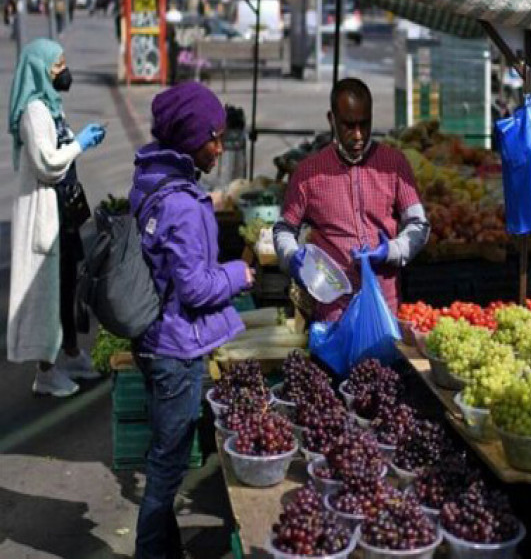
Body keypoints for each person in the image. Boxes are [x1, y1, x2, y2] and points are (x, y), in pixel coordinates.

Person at [128, 81, 254, 559]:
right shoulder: (180, 203)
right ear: (187, 138)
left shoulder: (152, 179)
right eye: (213, 138)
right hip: (176, 348)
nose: (220, 148)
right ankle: (151, 552)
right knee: (167, 463)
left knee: (166, 454)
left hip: (156, 336)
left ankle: (164, 548)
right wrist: (239, 273)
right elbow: (197, 287)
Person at [274, 78, 430, 322]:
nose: (358, 135)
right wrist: (292, 256)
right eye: (348, 125)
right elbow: (284, 229)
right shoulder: (308, 174)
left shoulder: (395, 165)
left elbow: (419, 226)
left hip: (384, 309)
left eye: (364, 124)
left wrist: (391, 251)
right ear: (331, 120)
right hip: (332, 312)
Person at [7, 39, 106, 396]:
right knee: (47, 295)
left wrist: (77, 141)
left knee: (66, 287)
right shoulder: (34, 112)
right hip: (44, 216)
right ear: (40, 69)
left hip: (62, 214)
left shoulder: (51, 105)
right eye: (57, 65)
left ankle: (71, 353)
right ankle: (45, 372)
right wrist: (80, 143)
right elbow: (47, 164)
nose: (64, 70)